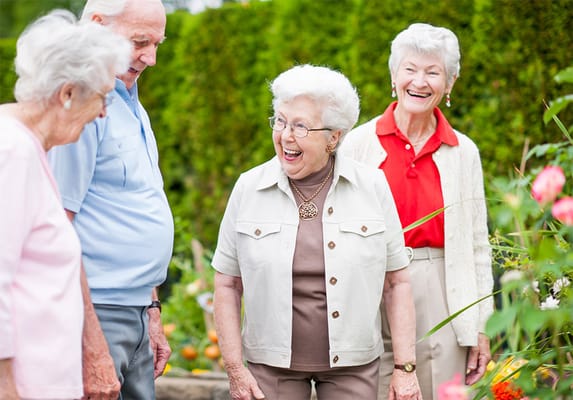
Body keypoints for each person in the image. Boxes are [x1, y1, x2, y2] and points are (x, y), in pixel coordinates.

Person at [212, 64, 422, 400]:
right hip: (270, 368)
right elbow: (226, 282)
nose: (285, 136)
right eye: (280, 122)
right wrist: (236, 370)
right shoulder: (248, 187)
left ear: (334, 137)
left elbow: (397, 282)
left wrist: (405, 368)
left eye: (300, 126)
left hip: (354, 365)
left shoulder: (371, 186)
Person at [339, 23, 494, 399]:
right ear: (394, 76)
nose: (419, 82)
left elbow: (477, 245)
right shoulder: (358, 143)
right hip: (370, 282)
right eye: (410, 69)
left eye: (433, 71)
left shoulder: (462, 151)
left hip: (439, 286)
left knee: (440, 392)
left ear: (450, 83)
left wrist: (481, 326)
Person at [0, 9, 130, 400]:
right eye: (102, 97)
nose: (104, 112)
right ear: (68, 93)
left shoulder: (33, 149)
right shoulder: (13, 152)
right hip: (24, 386)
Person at [48, 0, 174, 398]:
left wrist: (151, 310)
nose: (151, 58)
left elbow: (134, 208)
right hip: (95, 313)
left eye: (157, 44)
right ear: (98, 26)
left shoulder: (132, 103)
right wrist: (90, 341)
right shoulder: (81, 106)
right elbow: (55, 230)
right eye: (140, 41)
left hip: (134, 311)